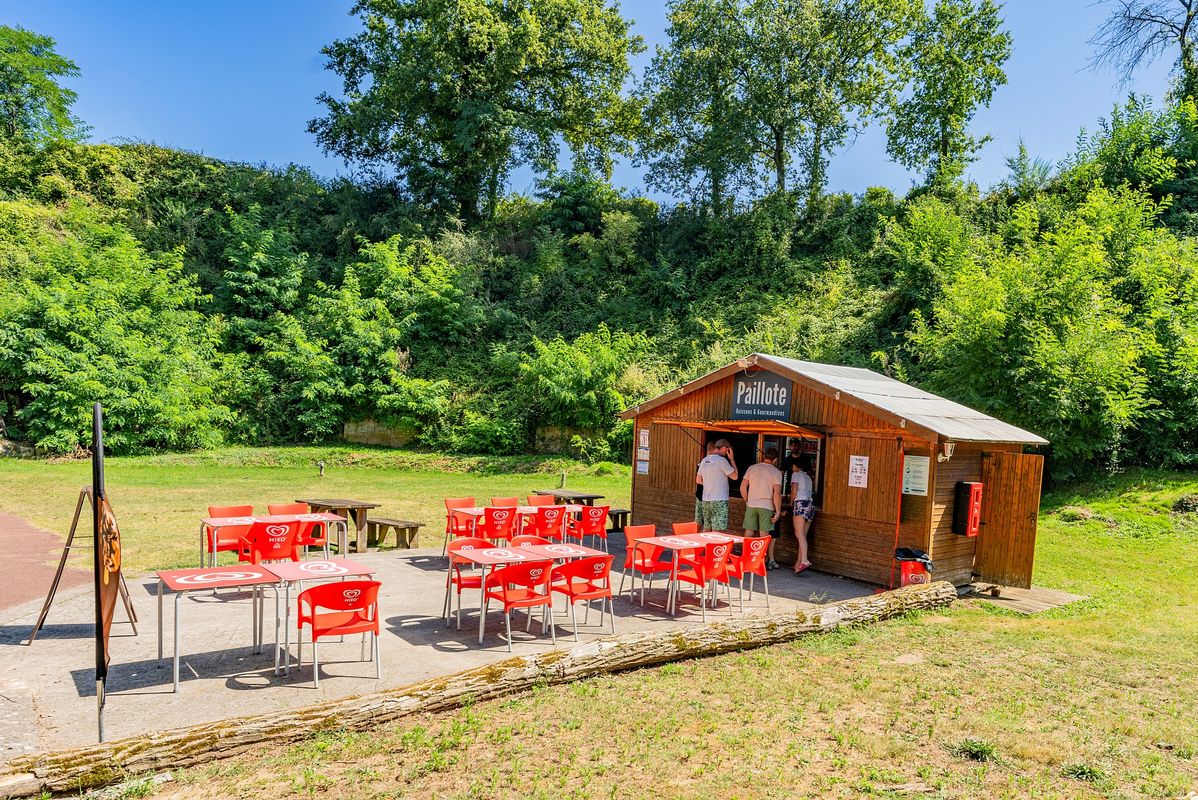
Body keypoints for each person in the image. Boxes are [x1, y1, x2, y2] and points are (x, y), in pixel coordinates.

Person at [740, 446, 783, 569]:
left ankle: (746, 559)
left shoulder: (752, 468)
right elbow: (777, 493)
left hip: (752, 504)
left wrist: (747, 500)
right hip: (766, 506)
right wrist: (778, 511)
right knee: (763, 535)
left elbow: (742, 487)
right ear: (775, 460)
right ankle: (760, 562)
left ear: (764, 456)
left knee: (748, 532)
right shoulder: (776, 472)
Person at [695, 438, 738, 531]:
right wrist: (732, 460)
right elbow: (735, 476)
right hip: (719, 500)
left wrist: (709, 482)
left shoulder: (704, 461)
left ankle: (704, 545)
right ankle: (714, 546)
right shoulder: (722, 461)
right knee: (717, 531)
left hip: (706, 499)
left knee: (707, 528)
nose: (727, 452)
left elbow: (698, 480)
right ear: (722, 447)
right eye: (727, 449)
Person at [790, 456, 816, 573]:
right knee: (802, 536)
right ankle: (798, 564)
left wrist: (791, 502)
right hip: (810, 505)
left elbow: (794, 491)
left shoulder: (796, 474)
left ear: (796, 466)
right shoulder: (808, 477)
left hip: (800, 504)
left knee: (799, 534)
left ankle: (804, 560)